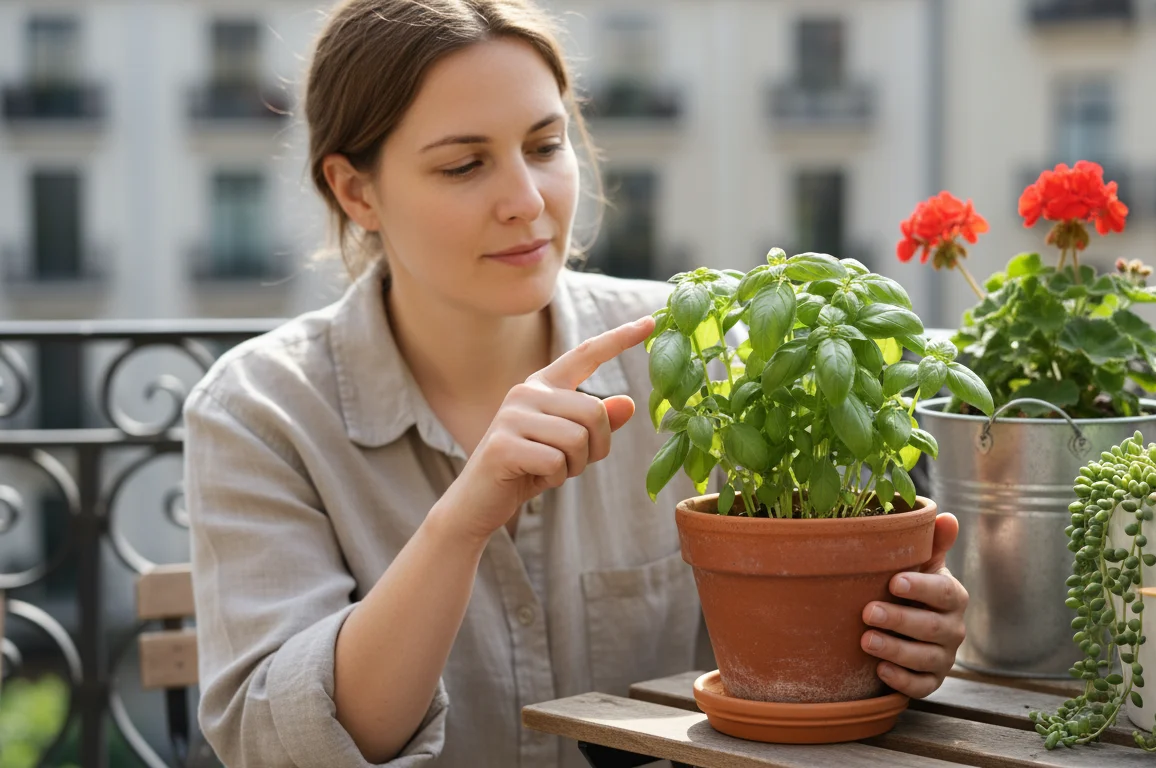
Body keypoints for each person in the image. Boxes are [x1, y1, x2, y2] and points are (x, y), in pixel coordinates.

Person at [184, 1, 971, 766]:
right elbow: (278, 746)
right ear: (356, 192)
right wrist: (462, 521)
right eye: (464, 165)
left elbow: (837, 651)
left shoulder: (698, 353)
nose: (527, 203)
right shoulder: (261, 410)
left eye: (545, 145)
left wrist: (903, 644)